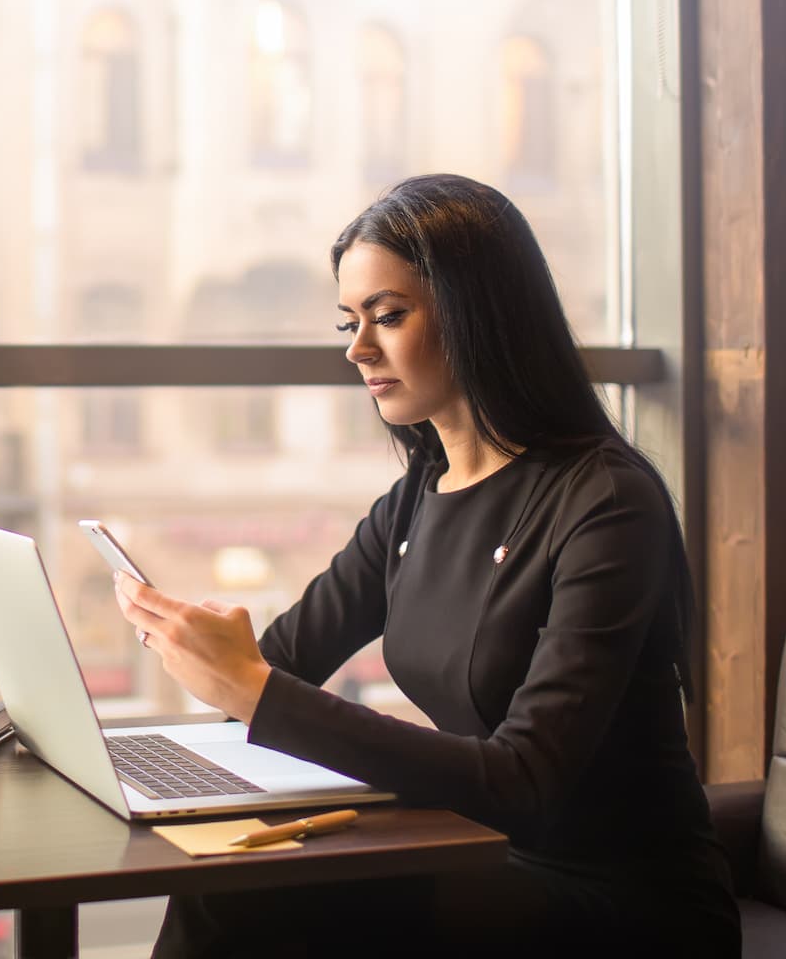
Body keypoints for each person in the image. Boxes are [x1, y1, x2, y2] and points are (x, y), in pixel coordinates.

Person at [114, 175, 740, 957]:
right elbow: (281, 662)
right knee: (230, 882)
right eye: (349, 321)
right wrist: (208, 655)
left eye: (389, 316)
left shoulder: (607, 504)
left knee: (240, 906)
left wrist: (253, 687)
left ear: (481, 313)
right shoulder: (418, 495)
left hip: (622, 904)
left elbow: (525, 780)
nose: (357, 347)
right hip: (485, 859)